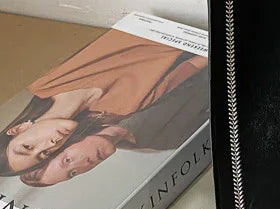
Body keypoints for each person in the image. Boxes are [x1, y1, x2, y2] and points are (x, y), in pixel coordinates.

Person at [0, 29, 207, 176]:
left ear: (19, 128)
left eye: (28, 146)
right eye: (44, 154)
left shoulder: (43, 78)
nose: (50, 145)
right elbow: (194, 64)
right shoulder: (124, 109)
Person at [20, 67, 209, 187]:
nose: (85, 165)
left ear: (65, 142)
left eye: (68, 160)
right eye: (73, 173)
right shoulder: (159, 143)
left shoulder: (99, 98)